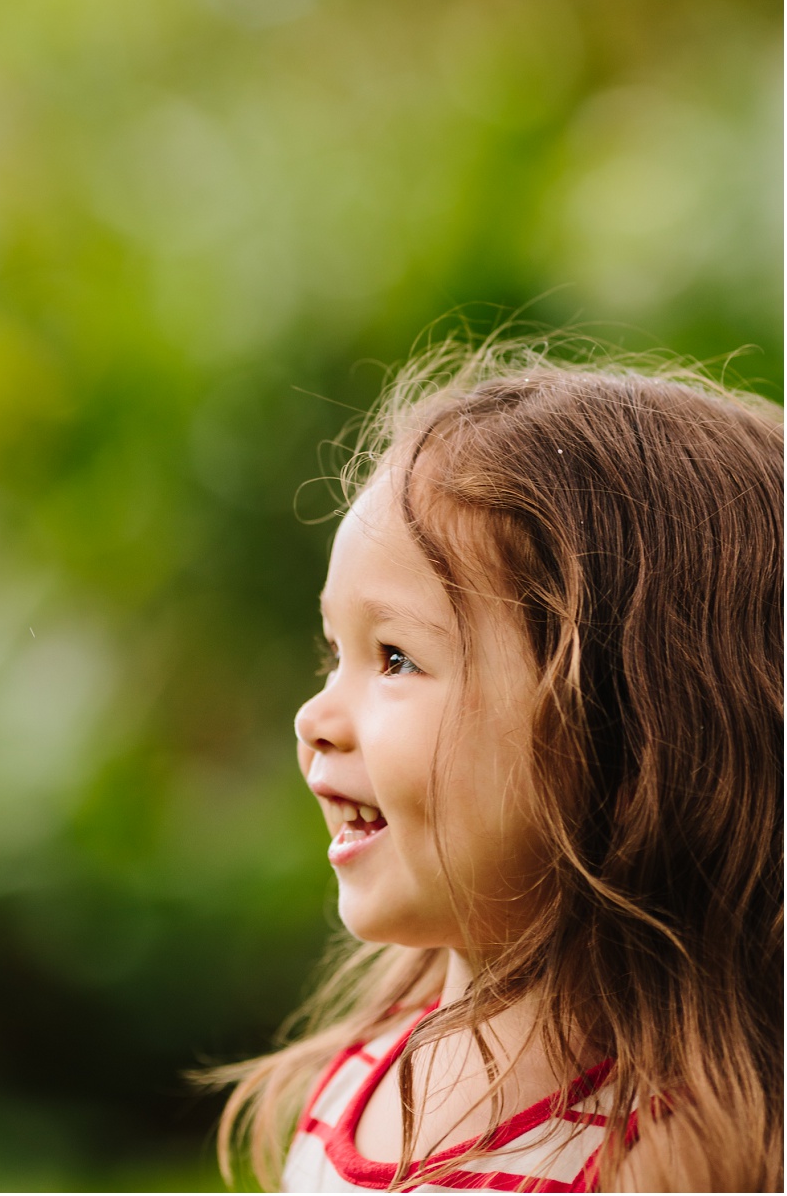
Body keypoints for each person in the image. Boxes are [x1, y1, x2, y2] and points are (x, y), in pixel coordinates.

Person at [210, 353, 783, 1193]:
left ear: (624, 737)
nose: (315, 717)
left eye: (396, 657)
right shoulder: (353, 1077)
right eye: (336, 654)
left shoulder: (668, 1160)